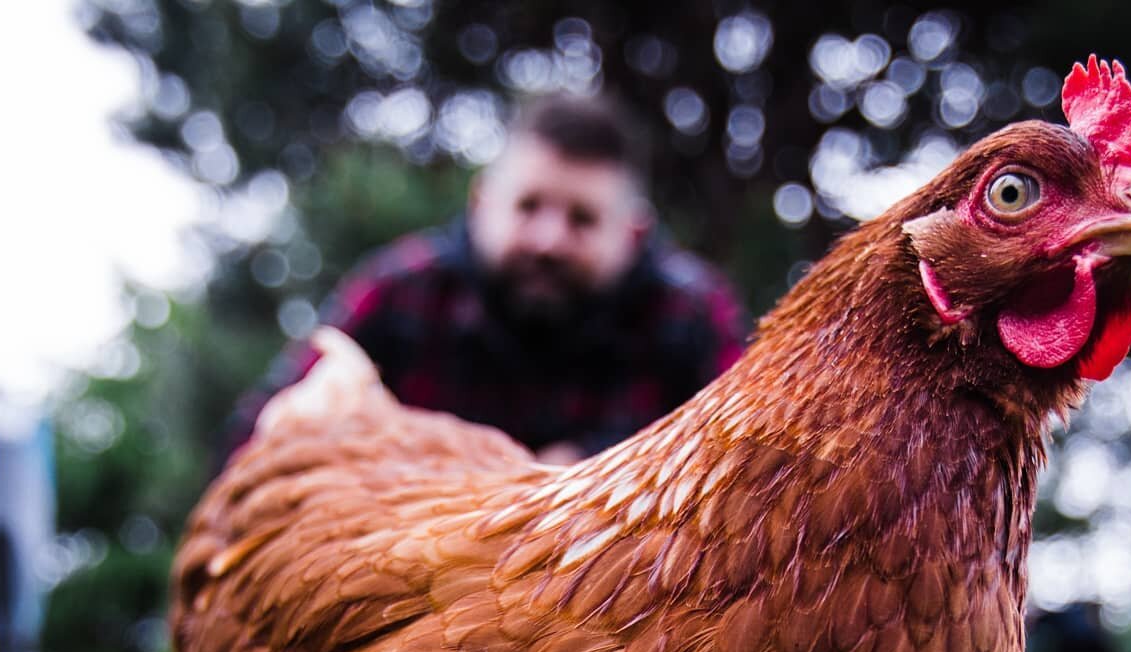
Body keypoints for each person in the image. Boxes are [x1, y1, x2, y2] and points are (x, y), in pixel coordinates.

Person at [225, 93, 748, 465]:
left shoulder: (693, 316)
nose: (549, 240)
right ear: (481, 204)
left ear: (633, 233)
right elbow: (256, 435)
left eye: (582, 219)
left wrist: (597, 463)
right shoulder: (402, 290)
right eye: (528, 206)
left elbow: (747, 465)